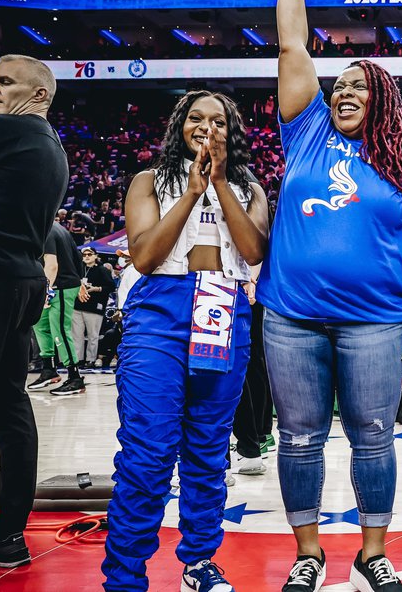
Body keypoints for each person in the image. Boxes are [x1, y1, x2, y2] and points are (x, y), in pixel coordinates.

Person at [263, 0, 402, 590]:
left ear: (382, 99)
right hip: (291, 316)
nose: (343, 93)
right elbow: (293, 44)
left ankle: (373, 551)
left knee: (373, 434)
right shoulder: (307, 129)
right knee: (298, 436)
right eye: (337, 85)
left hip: (375, 321)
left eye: (357, 88)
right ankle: (308, 552)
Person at [101, 90, 270, 592]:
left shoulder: (250, 188)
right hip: (160, 311)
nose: (205, 127)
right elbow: (144, 257)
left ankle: (198, 563)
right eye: (195, 118)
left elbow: (254, 249)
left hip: (225, 308)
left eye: (218, 121)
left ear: (231, 132)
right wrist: (193, 192)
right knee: (148, 450)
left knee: (208, 450)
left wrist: (219, 184)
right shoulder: (147, 181)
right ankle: (125, 576)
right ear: (180, 125)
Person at [0, 54, 68, 582]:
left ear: (38, 95)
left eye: (5, 81)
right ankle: (8, 535)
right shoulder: (52, 148)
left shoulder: (1, 129)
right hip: (22, 280)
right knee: (9, 408)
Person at [28, 220, 85, 395]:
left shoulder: (47, 231)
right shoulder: (60, 229)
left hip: (61, 286)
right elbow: (78, 259)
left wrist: (45, 292)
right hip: (60, 284)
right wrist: (80, 280)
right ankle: (48, 369)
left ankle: (75, 377)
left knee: (59, 329)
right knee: (40, 324)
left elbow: (52, 265)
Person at [232, 275, 273, 476]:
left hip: (223, 286)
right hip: (245, 286)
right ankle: (253, 444)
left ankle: (249, 446)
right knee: (249, 365)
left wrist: (250, 278)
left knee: (232, 369)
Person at [74, 248, 114, 368]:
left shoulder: (102, 270)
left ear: (95, 256)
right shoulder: (79, 269)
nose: (86, 256)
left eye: (89, 254)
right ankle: (78, 359)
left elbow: (111, 286)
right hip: (77, 306)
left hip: (94, 307)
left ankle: (90, 359)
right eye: (84, 254)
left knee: (93, 335)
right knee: (76, 335)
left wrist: (96, 289)